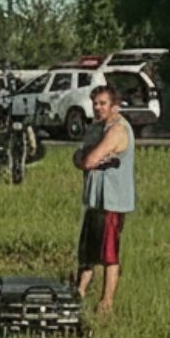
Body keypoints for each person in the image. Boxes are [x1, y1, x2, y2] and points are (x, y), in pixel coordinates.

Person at [74, 85, 135, 314]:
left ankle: (106, 302)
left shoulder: (118, 130)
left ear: (114, 105)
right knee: (87, 251)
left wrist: (87, 157)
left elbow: (89, 160)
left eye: (102, 103)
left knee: (109, 254)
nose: (97, 108)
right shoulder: (97, 129)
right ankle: (78, 292)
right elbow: (79, 156)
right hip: (95, 200)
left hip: (113, 201)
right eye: (95, 103)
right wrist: (85, 157)